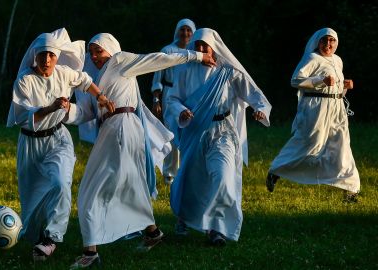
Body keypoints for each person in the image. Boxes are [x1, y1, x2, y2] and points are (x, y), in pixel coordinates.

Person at [70, 33, 216, 269]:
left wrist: (197, 55)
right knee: (129, 183)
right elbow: (85, 113)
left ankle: (90, 251)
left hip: (122, 127)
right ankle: (152, 231)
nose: (95, 56)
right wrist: (61, 112)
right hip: (114, 130)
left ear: (111, 49)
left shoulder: (120, 60)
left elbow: (158, 59)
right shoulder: (95, 79)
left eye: (99, 50)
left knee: (92, 187)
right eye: (92, 52)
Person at [6, 28, 113, 261]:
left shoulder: (64, 73)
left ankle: (52, 238)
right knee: (32, 200)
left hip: (58, 140)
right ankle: (38, 238)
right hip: (31, 145)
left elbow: (85, 80)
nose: (47, 60)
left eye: (52, 55)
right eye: (43, 54)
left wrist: (100, 96)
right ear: (36, 55)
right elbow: (23, 114)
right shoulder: (24, 80)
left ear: (57, 56)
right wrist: (51, 107)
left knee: (60, 182)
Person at [165, 28, 272, 245]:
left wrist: (260, 110)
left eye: (205, 45)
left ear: (214, 47)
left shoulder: (229, 71)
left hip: (222, 132)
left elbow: (255, 94)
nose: (201, 50)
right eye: (197, 46)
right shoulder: (185, 69)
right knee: (192, 180)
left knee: (223, 177)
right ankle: (185, 217)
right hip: (195, 132)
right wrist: (181, 111)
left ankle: (216, 228)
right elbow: (172, 99)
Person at [266, 27, 360, 202]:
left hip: (336, 108)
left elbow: (335, 88)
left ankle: (351, 189)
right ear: (318, 42)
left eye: (332, 41)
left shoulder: (337, 60)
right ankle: (276, 170)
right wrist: (320, 81)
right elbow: (295, 81)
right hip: (316, 109)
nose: (328, 44)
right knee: (311, 143)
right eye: (325, 41)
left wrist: (345, 87)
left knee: (342, 145)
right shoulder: (312, 58)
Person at [151, 18, 196, 184]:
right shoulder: (168, 50)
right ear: (177, 31)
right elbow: (158, 77)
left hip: (189, 96)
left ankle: (185, 171)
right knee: (172, 132)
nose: (185, 33)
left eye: (189, 30)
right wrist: (156, 99)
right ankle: (169, 172)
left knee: (188, 133)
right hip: (170, 94)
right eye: (182, 30)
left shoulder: (195, 52)